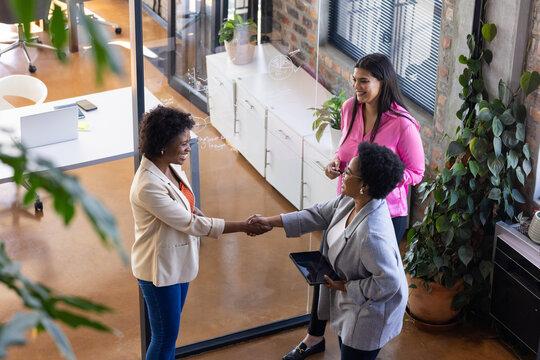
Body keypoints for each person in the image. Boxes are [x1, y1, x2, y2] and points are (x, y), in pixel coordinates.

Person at [283, 53, 425, 360]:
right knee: (327, 271)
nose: (356, 86)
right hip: (347, 204)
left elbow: (416, 172)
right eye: (354, 79)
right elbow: (345, 151)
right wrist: (337, 164)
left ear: (382, 82)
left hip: (384, 212)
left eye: (364, 80)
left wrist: (378, 180)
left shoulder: (403, 125)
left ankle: (360, 340)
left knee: (362, 281)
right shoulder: (350, 109)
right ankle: (314, 336)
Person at [129, 105, 270, 360]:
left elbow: (186, 205)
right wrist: (242, 226)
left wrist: (200, 213)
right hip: (159, 270)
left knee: (169, 335)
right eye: (183, 144)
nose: (188, 149)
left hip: (177, 262)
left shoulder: (170, 167)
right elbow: (189, 223)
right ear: (162, 145)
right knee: (163, 338)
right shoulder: (148, 185)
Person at [249, 142, 408, 360]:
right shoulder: (351, 201)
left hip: (369, 314)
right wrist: (269, 221)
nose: (342, 175)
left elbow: (389, 283)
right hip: (351, 305)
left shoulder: (372, 234)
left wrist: (346, 286)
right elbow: (317, 215)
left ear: (365, 186)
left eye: (349, 172)